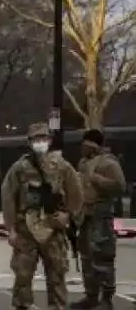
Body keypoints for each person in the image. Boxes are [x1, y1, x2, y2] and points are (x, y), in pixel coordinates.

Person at [1, 123, 83, 310]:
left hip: (53, 228)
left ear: (49, 140)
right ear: (29, 142)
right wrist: (11, 229)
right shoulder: (19, 168)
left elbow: (76, 193)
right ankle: (22, 305)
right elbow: (8, 197)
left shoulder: (62, 167)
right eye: (36, 139)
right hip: (26, 230)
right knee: (22, 275)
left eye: (43, 139)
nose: (40, 143)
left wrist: (67, 216)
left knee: (57, 276)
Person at [70, 128, 126, 309]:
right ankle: (91, 295)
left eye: (85, 145)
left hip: (101, 216)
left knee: (102, 257)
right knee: (86, 257)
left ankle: (106, 298)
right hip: (85, 216)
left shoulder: (109, 163)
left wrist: (95, 178)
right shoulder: (82, 163)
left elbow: (119, 186)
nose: (82, 148)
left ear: (93, 145)